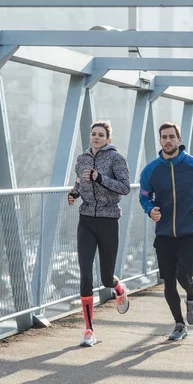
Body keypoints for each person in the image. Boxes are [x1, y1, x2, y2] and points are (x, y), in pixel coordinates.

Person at [139, 122, 193, 341]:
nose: (167, 141)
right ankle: (179, 324)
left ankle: (191, 295)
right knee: (169, 281)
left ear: (179, 140)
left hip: (189, 231)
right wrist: (150, 210)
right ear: (160, 141)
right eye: (164, 137)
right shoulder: (152, 170)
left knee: (183, 274)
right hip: (164, 234)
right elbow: (144, 196)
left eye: (171, 137)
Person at [68, 121, 131, 347]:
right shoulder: (82, 159)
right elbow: (78, 181)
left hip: (108, 220)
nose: (95, 137)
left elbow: (125, 187)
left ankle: (118, 288)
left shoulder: (116, 159)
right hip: (86, 219)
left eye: (100, 135)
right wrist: (74, 193)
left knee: (105, 278)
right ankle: (88, 330)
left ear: (108, 139)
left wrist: (100, 178)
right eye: (93, 134)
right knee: (85, 274)